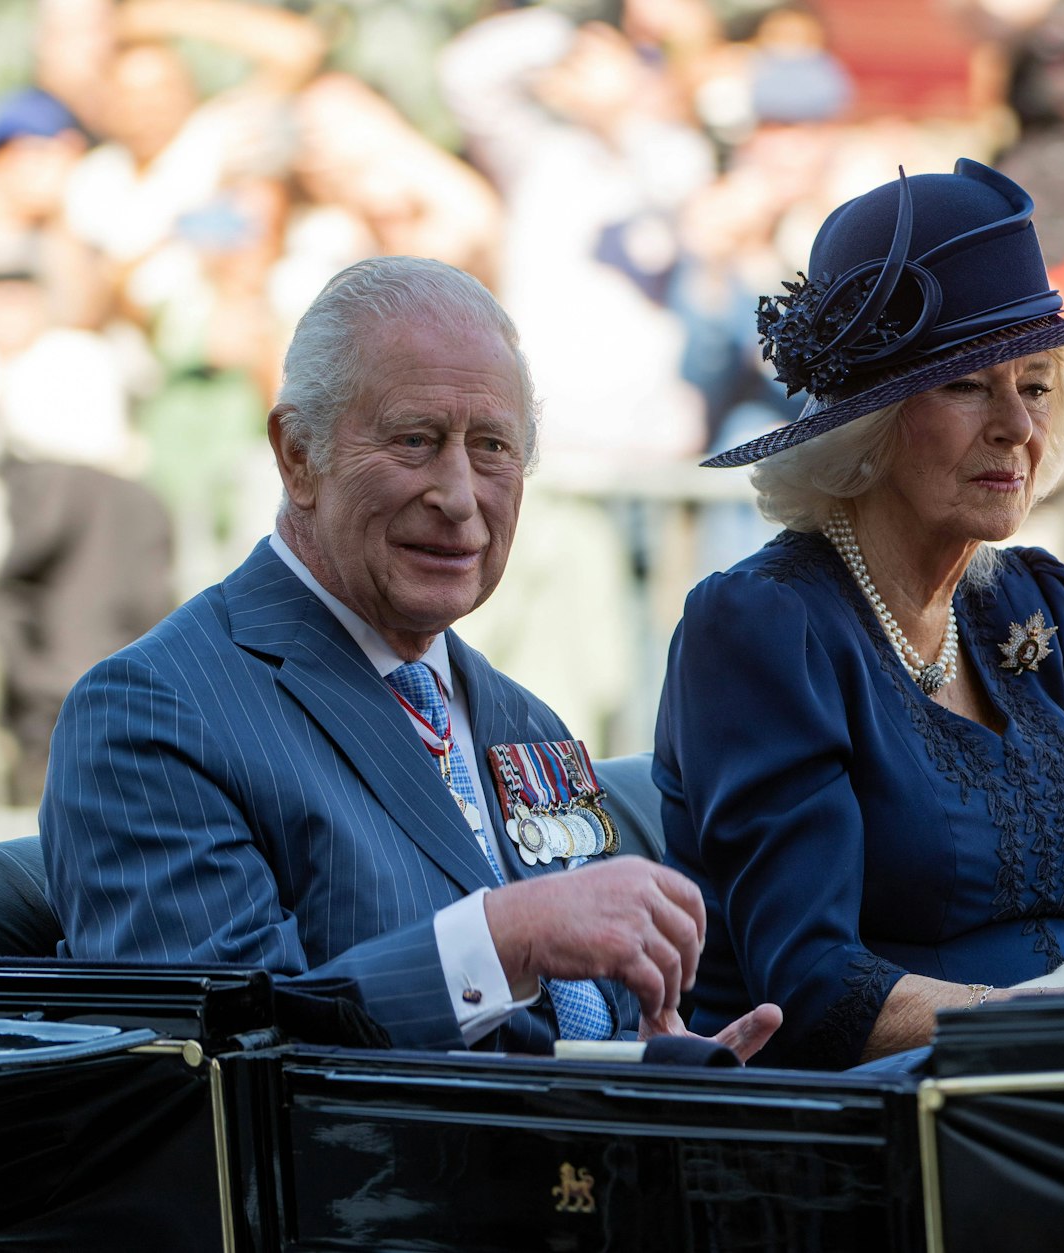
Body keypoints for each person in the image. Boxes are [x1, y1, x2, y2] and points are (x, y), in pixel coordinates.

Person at [40, 256, 779, 1058]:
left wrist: (662, 1063)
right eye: (416, 441)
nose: (458, 496)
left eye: (492, 446)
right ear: (297, 455)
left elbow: (575, 1032)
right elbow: (221, 1059)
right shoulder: (153, 713)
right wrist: (500, 938)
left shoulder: (525, 719)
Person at [655, 160, 1064, 1071]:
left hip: (1052, 1071)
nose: (1016, 427)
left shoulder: (1021, 602)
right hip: (879, 1108)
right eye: (966, 385)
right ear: (868, 423)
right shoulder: (766, 626)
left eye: (1034, 385)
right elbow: (812, 989)